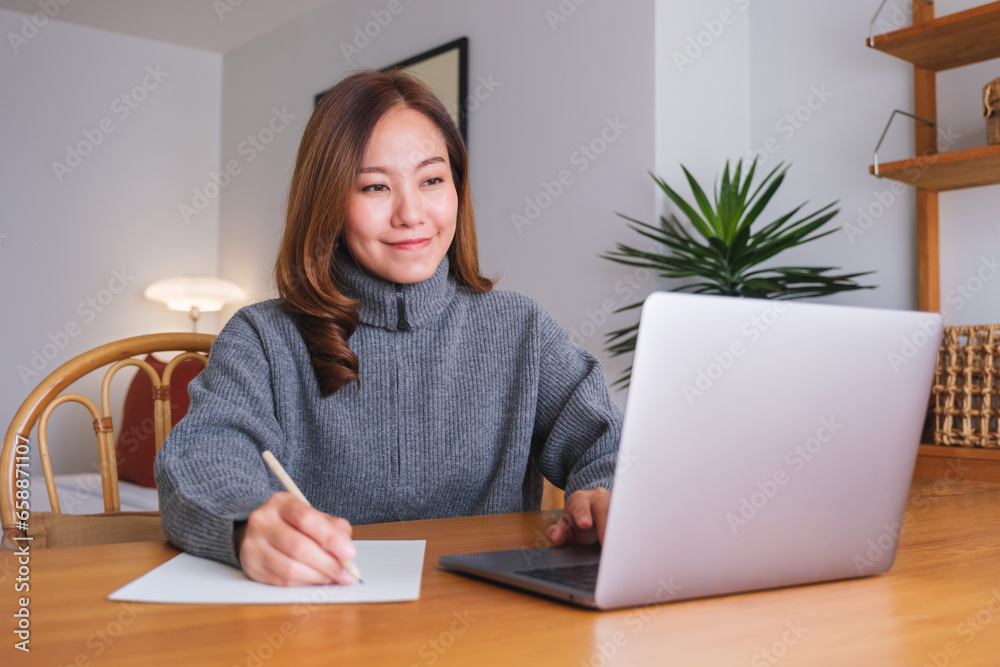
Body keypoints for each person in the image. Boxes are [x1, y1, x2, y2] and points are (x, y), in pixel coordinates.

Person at [154, 69, 623, 587]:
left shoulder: (520, 328)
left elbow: (609, 447)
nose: (411, 213)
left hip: (486, 621)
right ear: (329, 202)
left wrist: (603, 492)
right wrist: (245, 526)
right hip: (321, 623)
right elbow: (201, 459)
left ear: (457, 187)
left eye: (431, 180)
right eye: (375, 186)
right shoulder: (262, 337)